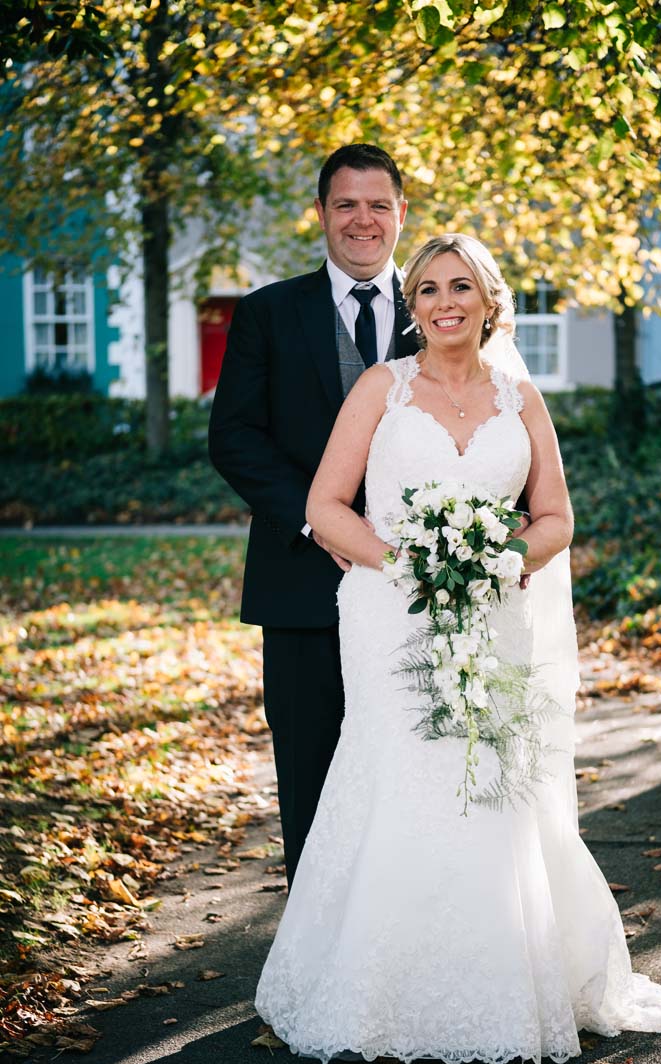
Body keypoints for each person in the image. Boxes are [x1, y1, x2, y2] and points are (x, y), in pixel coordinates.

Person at [255, 233, 661, 1064]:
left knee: (489, 782)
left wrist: (507, 556)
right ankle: (371, 985)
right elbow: (327, 504)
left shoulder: (521, 397)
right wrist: (408, 562)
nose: (444, 303)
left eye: (460, 288)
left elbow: (555, 515)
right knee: (399, 773)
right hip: (389, 616)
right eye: (427, 291)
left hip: (493, 615)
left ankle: (505, 980)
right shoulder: (383, 387)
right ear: (411, 308)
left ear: (489, 300)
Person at [208, 144, 419, 888]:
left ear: (401, 212)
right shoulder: (268, 312)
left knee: (419, 766)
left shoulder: (444, 309)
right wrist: (321, 522)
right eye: (345, 204)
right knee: (308, 768)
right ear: (322, 214)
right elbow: (233, 436)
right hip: (300, 585)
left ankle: (408, 929)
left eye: (378, 204)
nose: (363, 219)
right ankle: (315, 943)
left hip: (420, 591)